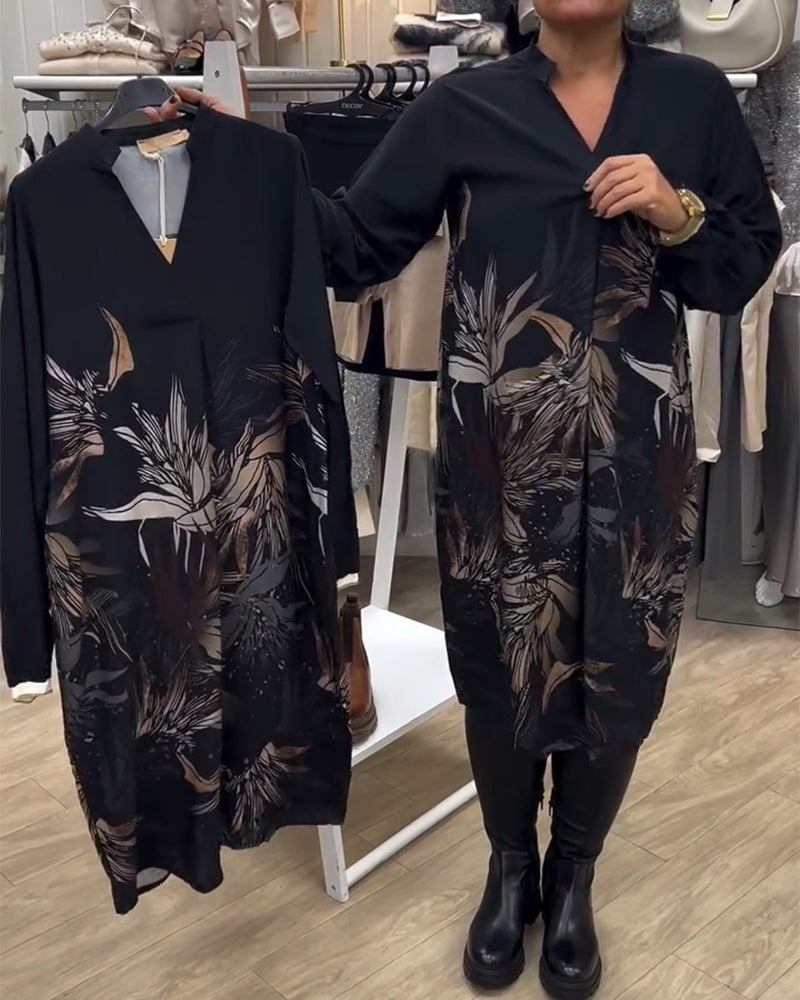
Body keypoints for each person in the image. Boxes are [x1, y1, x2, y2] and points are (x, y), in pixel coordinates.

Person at [150, 2, 781, 996]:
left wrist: (678, 212)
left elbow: (740, 264)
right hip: (498, 473)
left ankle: (572, 878)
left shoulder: (690, 98)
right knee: (494, 668)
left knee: (619, 671)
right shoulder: (464, 106)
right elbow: (356, 243)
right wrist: (243, 163)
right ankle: (510, 867)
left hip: (636, 467)